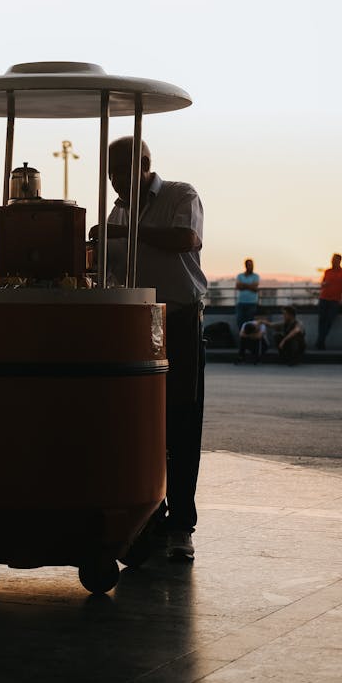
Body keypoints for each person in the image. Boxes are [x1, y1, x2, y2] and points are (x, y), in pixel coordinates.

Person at [90, 136, 207, 562]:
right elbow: (113, 268)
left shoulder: (180, 195)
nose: (116, 182)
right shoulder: (117, 211)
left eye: (121, 172)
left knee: (180, 423)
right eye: (110, 174)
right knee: (142, 426)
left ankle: (182, 525)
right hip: (137, 325)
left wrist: (125, 231)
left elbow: (185, 239)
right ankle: (148, 517)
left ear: (143, 164)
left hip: (176, 321)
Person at [316, 253, 342, 349]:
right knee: (322, 320)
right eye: (332, 259)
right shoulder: (327, 271)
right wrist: (324, 284)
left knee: (329, 320)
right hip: (323, 298)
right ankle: (320, 342)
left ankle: (320, 340)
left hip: (335, 300)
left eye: (334, 259)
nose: (332, 261)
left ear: (339, 261)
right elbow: (322, 284)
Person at [235, 258, 259, 331]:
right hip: (241, 302)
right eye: (249, 265)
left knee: (250, 323)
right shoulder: (240, 275)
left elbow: (255, 288)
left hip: (252, 303)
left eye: (252, 265)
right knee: (240, 322)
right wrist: (250, 286)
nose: (251, 266)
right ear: (246, 266)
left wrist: (243, 285)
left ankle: (249, 339)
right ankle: (242, 337)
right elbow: (238, 287)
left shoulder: (256, 276)